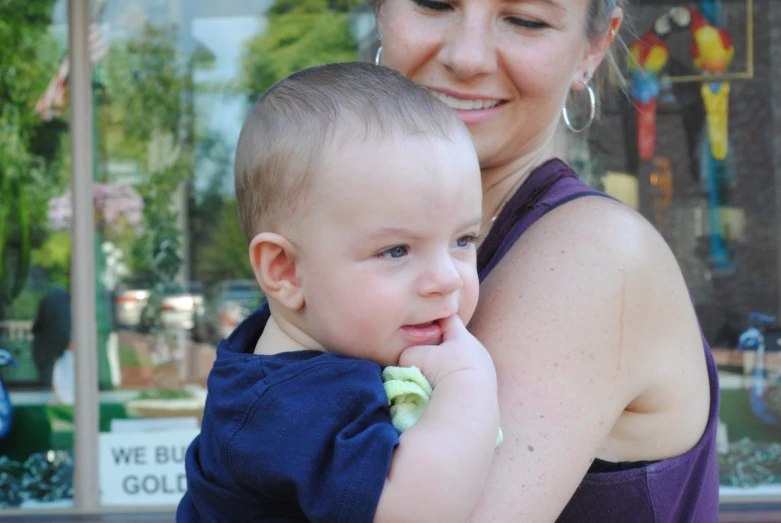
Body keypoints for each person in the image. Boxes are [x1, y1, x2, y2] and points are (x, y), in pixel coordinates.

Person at [374, 0, 719, 521]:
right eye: (434, 3)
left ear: (592, 49)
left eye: (525, 19)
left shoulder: (596, 257)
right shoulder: (369, 238)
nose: (467, 57)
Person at [177, 62, 500, 522]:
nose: (447, 278)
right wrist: (469, 381)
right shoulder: (292, 407)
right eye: (396, 250)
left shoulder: (302, 351)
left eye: (463, 240)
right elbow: (415, 513)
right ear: (286, 271)